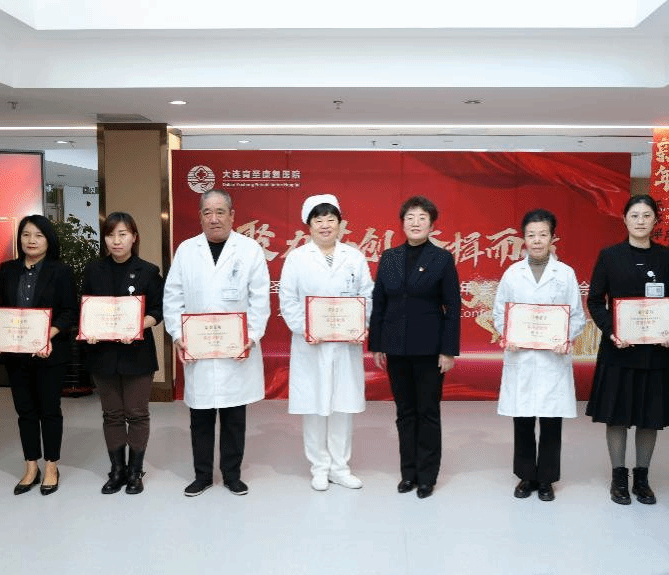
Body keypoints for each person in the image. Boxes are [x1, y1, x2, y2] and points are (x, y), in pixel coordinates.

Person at [163, 189, 270, 497]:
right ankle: (202, 475)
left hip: (237, 349)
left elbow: (260, 298)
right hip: (198, 348)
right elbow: (173, 296)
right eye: (207, 212)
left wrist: (251, 336)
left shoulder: (249, 250)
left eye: (220, 212)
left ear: (232, 216)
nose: (214, 218)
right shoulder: (187, 250)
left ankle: (232, 475)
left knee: (234, 416)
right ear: (200, 216)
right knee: (201, 415)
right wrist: (178, 335)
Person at [586, 194, 669, 505]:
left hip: (656, 351)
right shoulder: (609, 256)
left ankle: (642, 477)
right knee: (616, 416)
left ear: (656, 220)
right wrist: (612, 330)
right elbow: (595, 300)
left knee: (649, 416)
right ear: (625, 219)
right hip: (619, 349)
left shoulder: (668, 258)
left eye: (646, 215)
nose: (640, 221)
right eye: (634, 215)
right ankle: (618, 476)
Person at [279, 194, 374, 491]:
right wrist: (307, 329)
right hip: (312, 344)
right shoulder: (297, 258)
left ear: (340, 224)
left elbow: (367, 296)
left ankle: (340, 468)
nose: (325, 225)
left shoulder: (354, 257)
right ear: (308, 226)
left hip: (345, 344)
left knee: (342, 407)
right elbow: (288, 300)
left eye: (331, 219)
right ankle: (319, 467)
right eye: (318, 220)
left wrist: (359, 324)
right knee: (315, 406)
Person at [369, 196, 461, 499]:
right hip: (395, 347)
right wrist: (377, 344)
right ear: (402, 223)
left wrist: (448, 350)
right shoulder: (390, 257)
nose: (416, 222)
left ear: (432, 224)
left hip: (429, 349)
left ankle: (427, 476)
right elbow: (379, 302)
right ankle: (408, 473)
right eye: (410, 217)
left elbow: (453, 307)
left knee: (428, 412)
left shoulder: (441, 259)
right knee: (404, 413)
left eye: (422, 217)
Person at [492, 209, 586, 501]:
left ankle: (546, 479)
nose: (536, 240)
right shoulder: (512, 273)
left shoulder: (565, 274)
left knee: (550, 421)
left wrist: (565, 338)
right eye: (531, 235)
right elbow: (499, 312)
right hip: (521, 357)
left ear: (552, 237)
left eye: (542, 234)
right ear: (524, 238)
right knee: (522, 420)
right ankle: (525, 476)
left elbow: (577, 316)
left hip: (552, 359)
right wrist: (509, 334)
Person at [0, 214, 78, 495]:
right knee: (25, 411)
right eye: (26, 234)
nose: (31, 240)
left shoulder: (61, 271)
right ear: (20, 238)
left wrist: (45, 335)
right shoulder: (7, 269)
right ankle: (30, 466)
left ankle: (51, 466)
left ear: (48, 240)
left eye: (38, 235)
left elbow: (69, 312)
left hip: (49, 353)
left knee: (49, 409)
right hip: (16, 355)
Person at [82, 212, 164, 495]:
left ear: (134, 237)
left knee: (137, 413)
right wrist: (89, 328)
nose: (116, 241)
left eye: (122, 234)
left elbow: (158, 311)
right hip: (102, 353)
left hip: (137, 354)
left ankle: (135, 471)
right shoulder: (93, 270)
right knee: (112, 414)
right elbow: (86, 307)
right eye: (110, 235)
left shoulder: (148, 271)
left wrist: (138, 324)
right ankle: (117, 470)